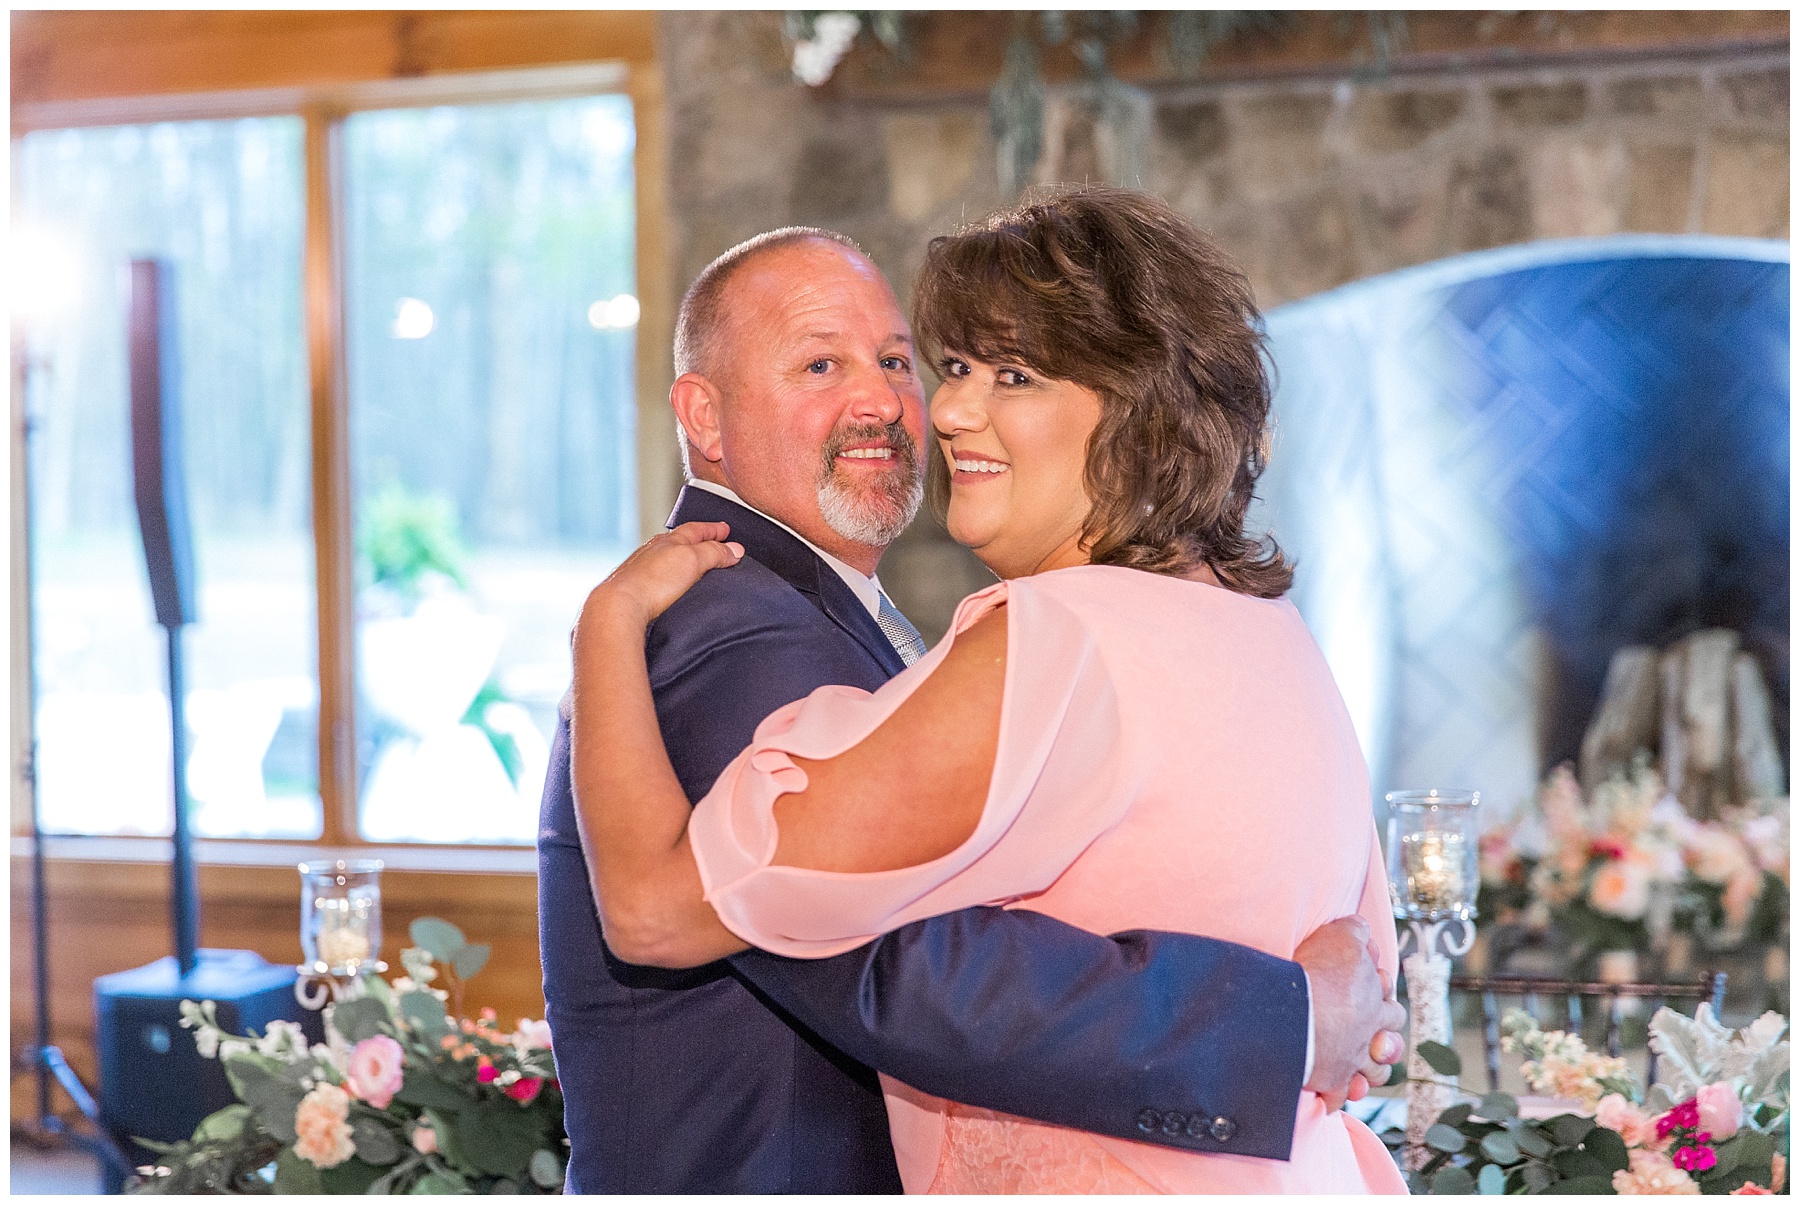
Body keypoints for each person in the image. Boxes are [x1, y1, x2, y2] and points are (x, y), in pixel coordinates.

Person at [539, 215, 1405, 1193]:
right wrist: (1292, 1021)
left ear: (1136, 413)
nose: (924, 405)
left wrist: (1301, 1015)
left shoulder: (1064, 629)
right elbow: (905, 966)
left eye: (902, 362)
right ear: (703, 415)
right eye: (823, 364)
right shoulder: (737, 624)